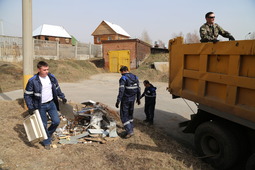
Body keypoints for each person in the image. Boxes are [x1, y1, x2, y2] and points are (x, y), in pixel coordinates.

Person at [24, 61, 67, 150]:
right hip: (40, 106)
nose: (47, 71)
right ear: (39, 69)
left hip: (51, 103)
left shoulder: (51, 77)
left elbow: (57, 88)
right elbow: (27, 95)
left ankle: (48, 134)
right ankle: (46, 141)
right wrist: (30, 107)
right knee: (43, 125)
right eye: (44, 70)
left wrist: (62, 97)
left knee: (56, 121)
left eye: (47, 69)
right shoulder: (33, 81)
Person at [115, 66, 141, 138]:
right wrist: (138, 99)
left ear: (123, 71)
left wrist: (118, 101)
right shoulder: (135, 77)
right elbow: (138, 89)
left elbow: (121, 90)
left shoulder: (123, 78)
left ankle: (129, 131)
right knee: (130, 114)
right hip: (132, 99)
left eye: (121, 72)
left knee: (124, 115)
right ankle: (130, 128)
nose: (121, 74)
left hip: (125, 99)